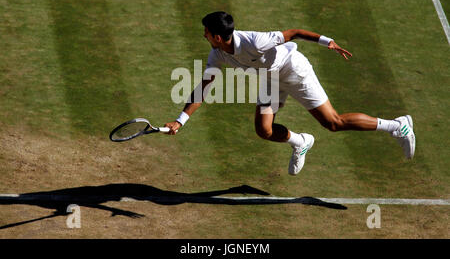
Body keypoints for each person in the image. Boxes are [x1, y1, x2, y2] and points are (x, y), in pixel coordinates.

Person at [164, 11, 415, 175]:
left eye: (206, 32)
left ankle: (397, 126)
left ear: (217, 37)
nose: (203, 35)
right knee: (264, 129)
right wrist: (180, 120)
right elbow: (204, 88)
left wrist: (328, 42)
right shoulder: (216, 54)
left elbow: (294, 33)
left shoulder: (256, 41)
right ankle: (301, 142)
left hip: (294, 70)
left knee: (333, 123)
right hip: (271, 78)